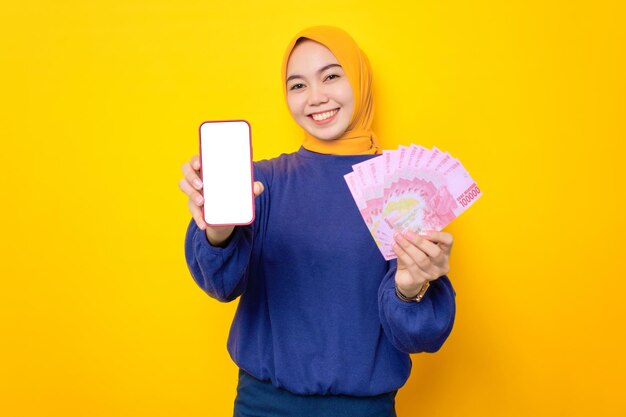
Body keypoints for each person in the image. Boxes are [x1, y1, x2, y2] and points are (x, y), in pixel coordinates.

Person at [179, 26, 456, 417]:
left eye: (331, 76)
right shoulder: (260, 182)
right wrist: (219, 233)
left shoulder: (401, 186)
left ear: (358, 78)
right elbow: (221, 286)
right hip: (263, 405)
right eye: (297, 85)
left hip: (364, 410)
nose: (315, 97)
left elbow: (420, 335)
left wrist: (410, 288)